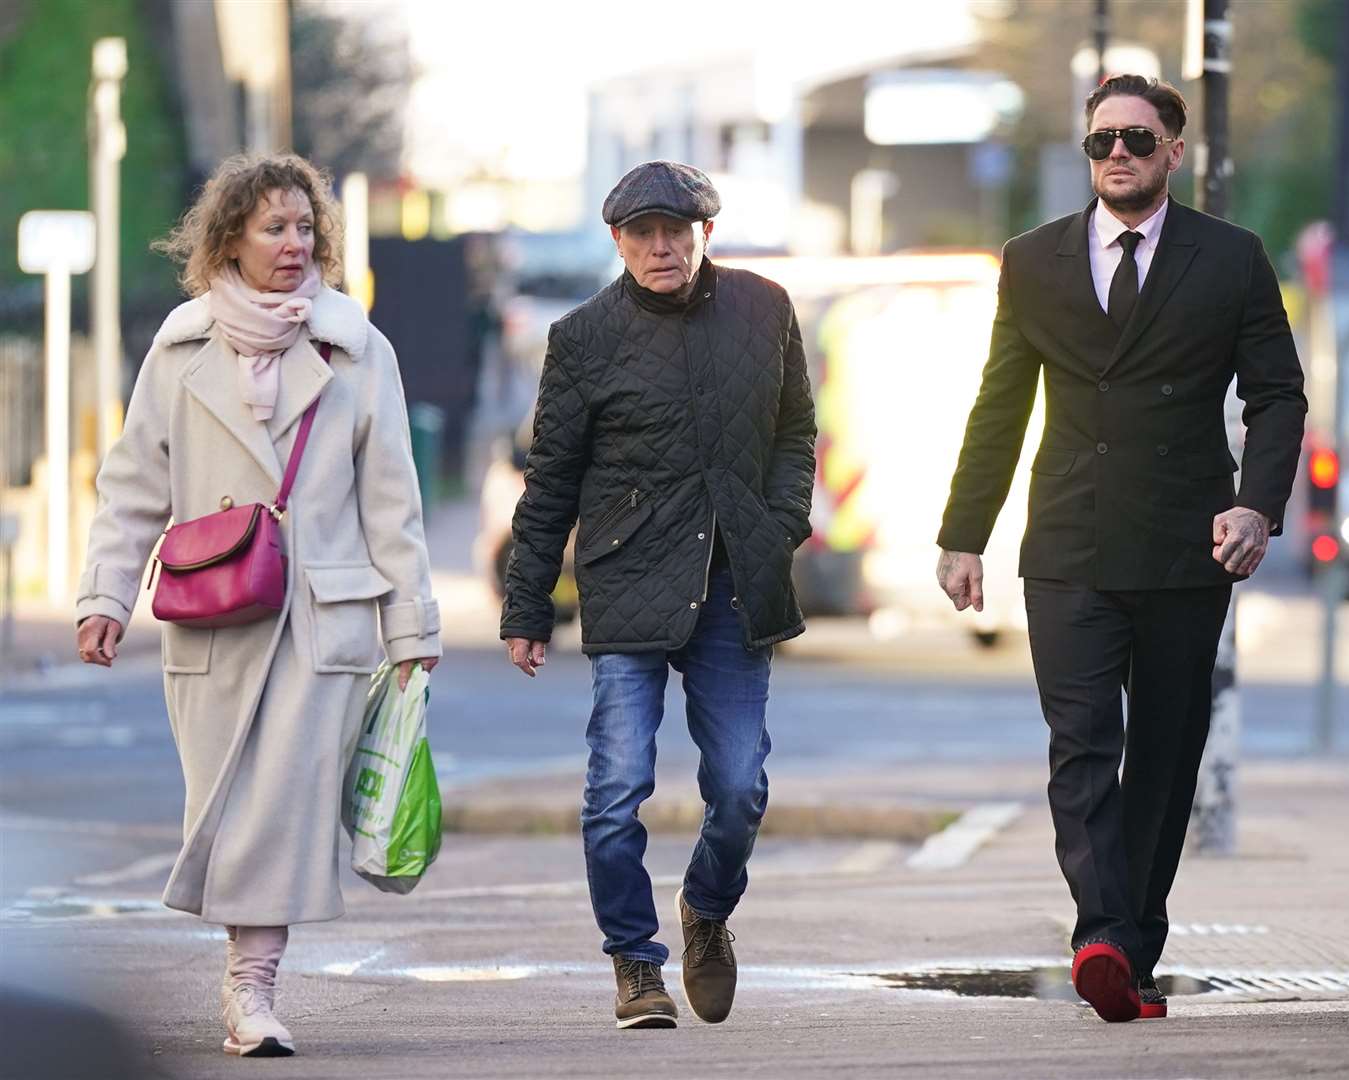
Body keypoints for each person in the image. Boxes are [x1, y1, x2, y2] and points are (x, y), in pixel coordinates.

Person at [936, 76, 1306, 1023]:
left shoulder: (1230, 259)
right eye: (1100, 141)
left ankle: (1131, 955)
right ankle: (1101, 934)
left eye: (1136, 139)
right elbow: (999, 404)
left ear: (1172, 152)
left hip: (1189, 548)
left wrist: (1255, 506)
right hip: (1065, 542)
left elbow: (1276, 396)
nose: (1117, 156)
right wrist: (962, 535)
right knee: (1080, 742)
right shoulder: (1033, 260)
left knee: (1168, 753)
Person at [75, 153, 441, 1057]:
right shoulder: (182, 345)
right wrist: (105, 595)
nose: (292, 244)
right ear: (229, 239)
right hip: (214, 615)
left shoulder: (356, 349)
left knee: (279, 806)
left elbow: (391, 499)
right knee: (228, 801)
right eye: (273, 228)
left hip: (324, 614)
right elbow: (133, 486)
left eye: (304, 228)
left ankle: (252, 988)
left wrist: (411, 626)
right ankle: (247, 981)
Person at [501, 160, 815, 1030]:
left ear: (703, 232)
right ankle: (635, 964)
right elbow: (550, 479)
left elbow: (795, 430)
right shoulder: (582, 337)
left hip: (733, 588)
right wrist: (528, 606)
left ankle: (706, 911)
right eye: (642, 233)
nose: (661, 247)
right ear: (617, 241)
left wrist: (778, 521)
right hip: (628, 583)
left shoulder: (765, 308)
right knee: (615, 790)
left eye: (675, 230)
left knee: (740, 787)